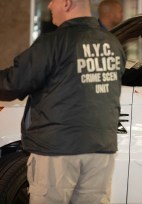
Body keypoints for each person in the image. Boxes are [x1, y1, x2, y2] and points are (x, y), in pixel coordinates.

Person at [0, 0, 125, 203]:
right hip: (101, 150)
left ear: (67, 3)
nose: (49, 6)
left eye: (54, 0)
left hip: (58, 151)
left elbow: (12, 83)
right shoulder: (112, 44)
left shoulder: (54, 43)